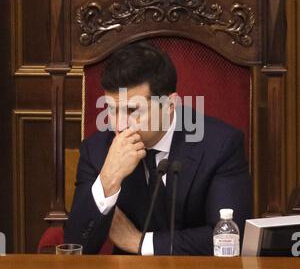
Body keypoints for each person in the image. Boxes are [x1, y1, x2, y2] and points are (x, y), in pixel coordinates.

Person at [64, 41, 252, 255]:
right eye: (112, 109)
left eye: (133, 110)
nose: (119, 125)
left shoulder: (220, 145)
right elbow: (74, 247)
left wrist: (140, 242)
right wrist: (108, 180)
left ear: (170, 106)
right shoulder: (97, 150)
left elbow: (229, 239)